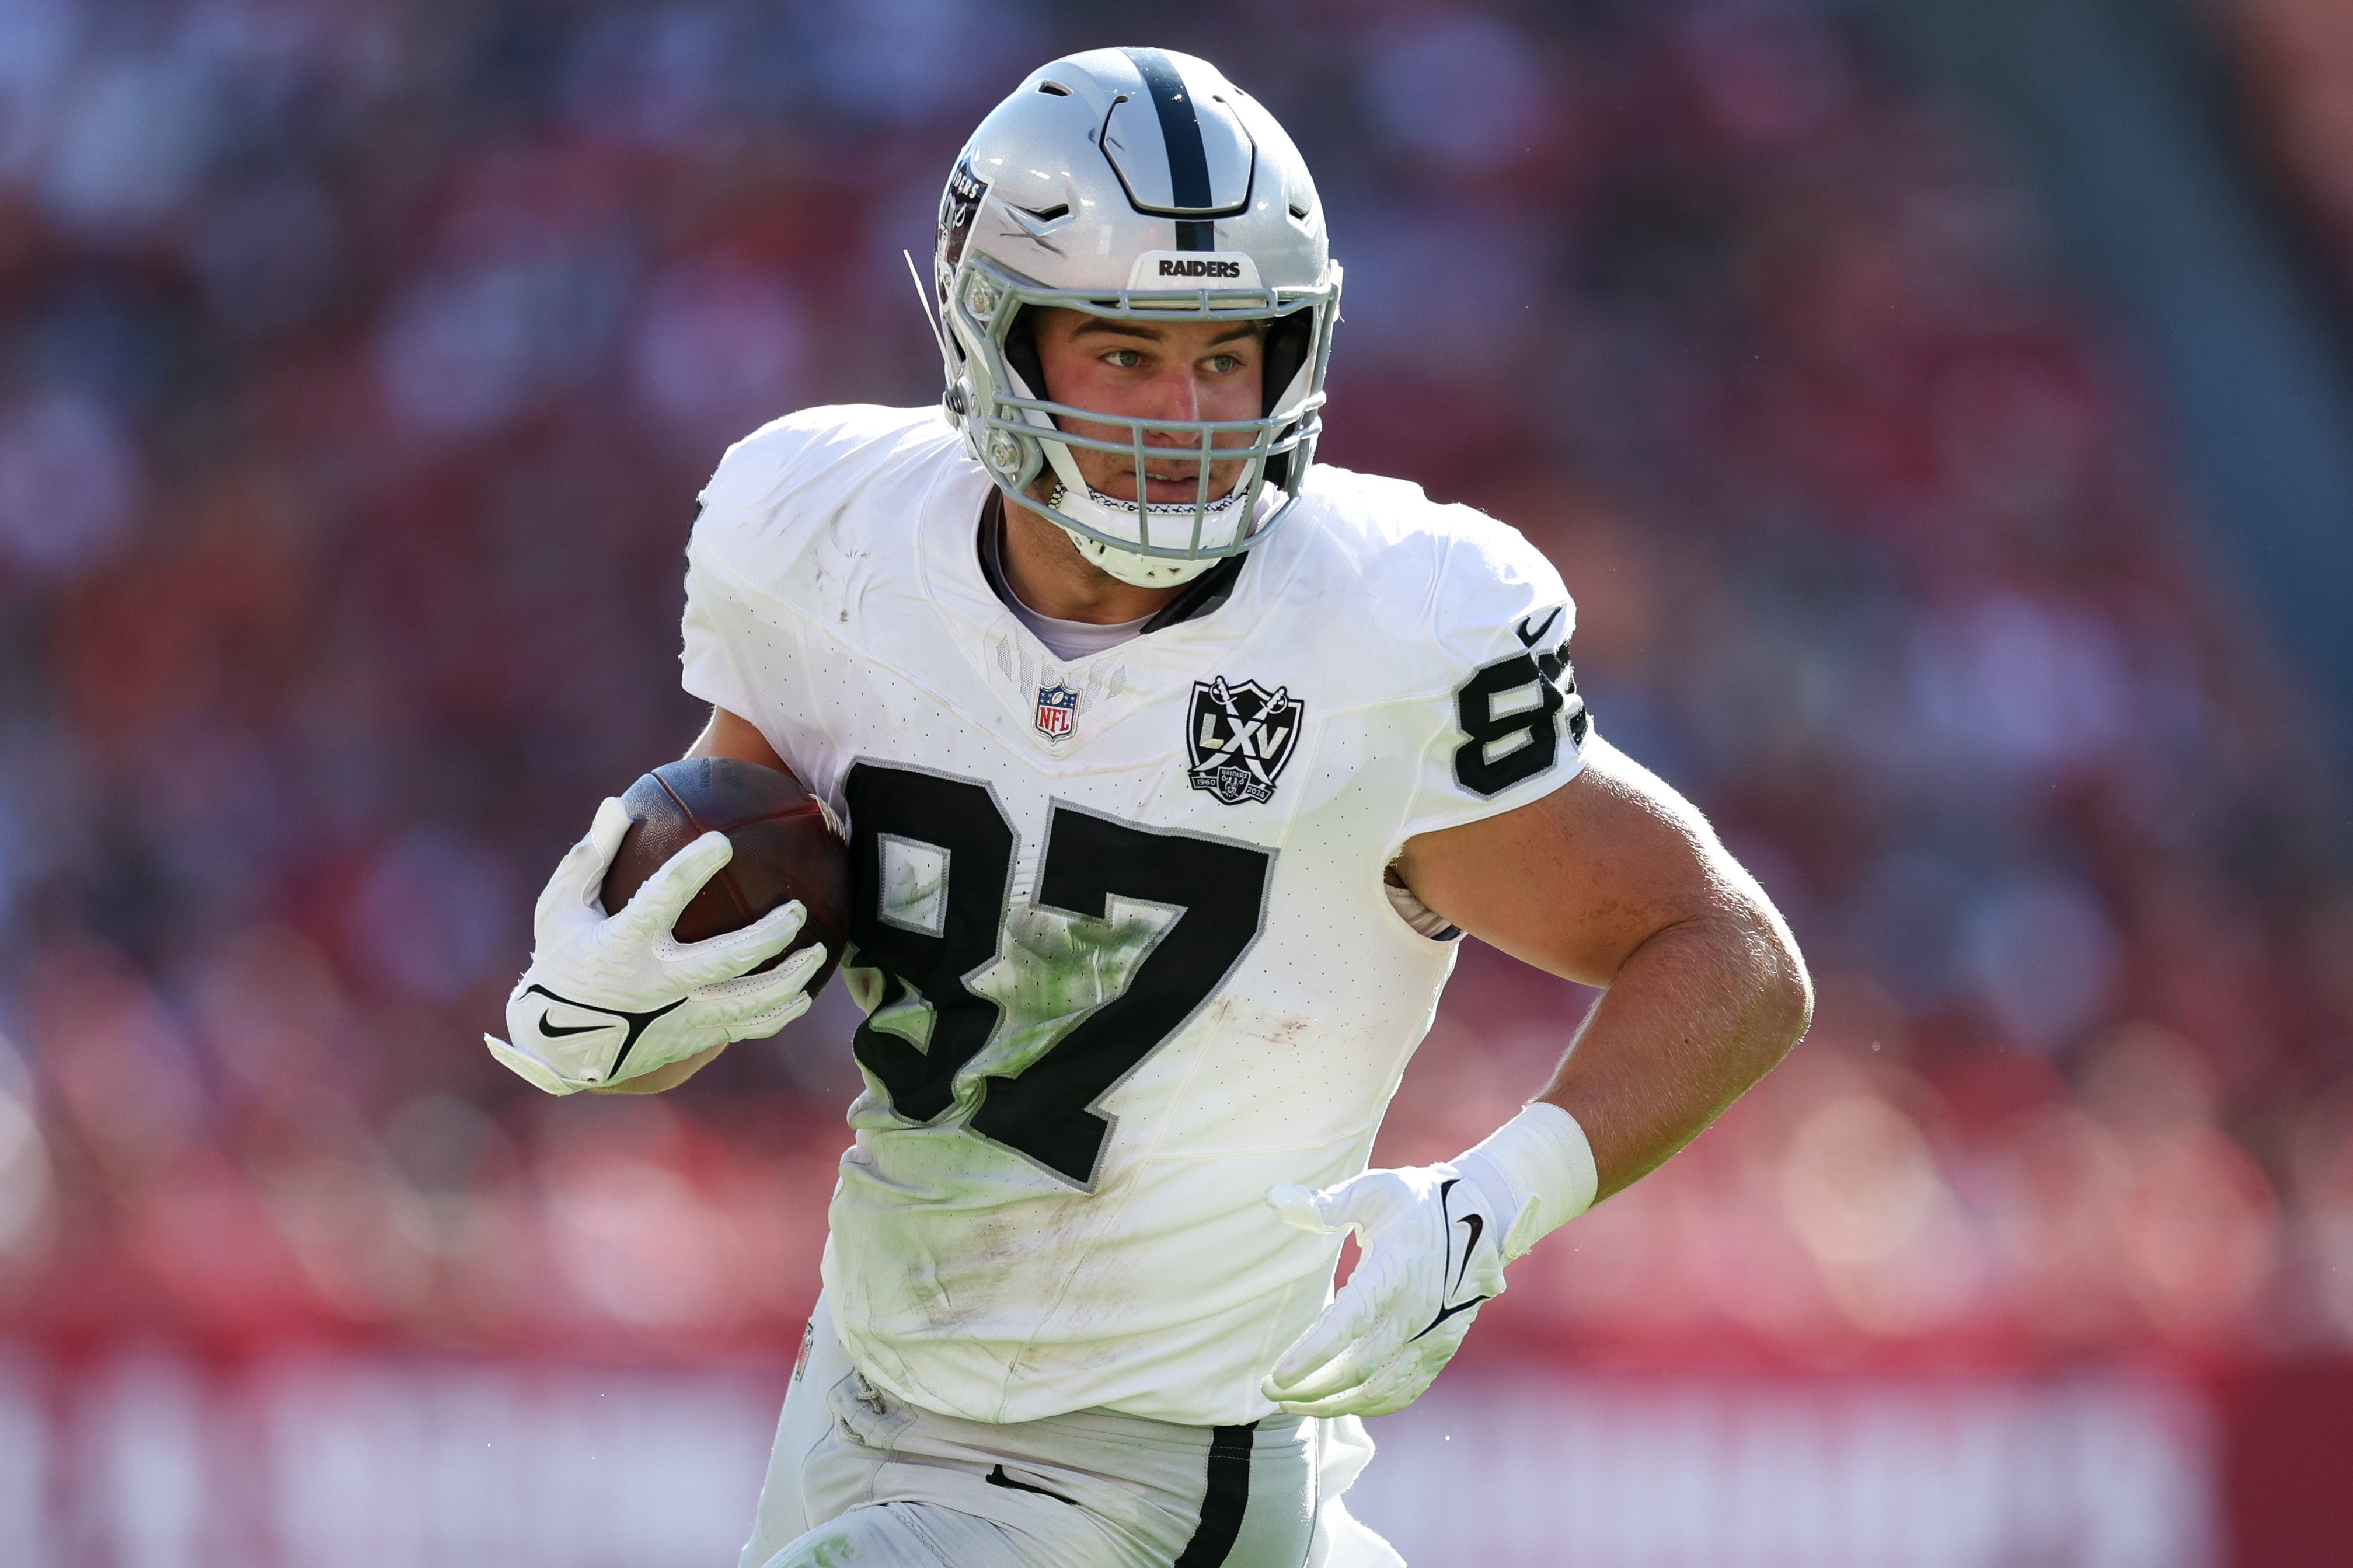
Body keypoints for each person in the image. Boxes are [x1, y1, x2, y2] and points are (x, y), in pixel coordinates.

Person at [486, 46, 1810, 1568]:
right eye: (1125, 354)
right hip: (865, 1388)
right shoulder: (824, 532)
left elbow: (1725, 950)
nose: (1188, 413)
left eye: (1227, 355)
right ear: (997, 338)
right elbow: (753, 875)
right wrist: (626, 989)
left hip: (1159, 1464)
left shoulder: (1388, 627)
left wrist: (1500, 1195)